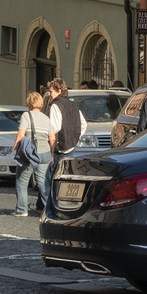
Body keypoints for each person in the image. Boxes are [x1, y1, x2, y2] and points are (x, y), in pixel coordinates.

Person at [44, 79, 86, 219]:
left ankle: (49, 209)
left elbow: (54, 128)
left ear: (59, 91)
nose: (49, 94)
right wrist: (76, 138)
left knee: (51, 179)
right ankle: (46, 206)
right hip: (71, 146)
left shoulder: (56, 105)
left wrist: (50, 146)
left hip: (59, 147)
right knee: (66, 179)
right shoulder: (74, 105)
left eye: (51, 91)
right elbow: (83, 124)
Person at [12, 92, 55, 217]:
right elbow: (52, 139)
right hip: (45, 153)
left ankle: (22, 210)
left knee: (22, 181)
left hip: (30, 154)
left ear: (29, 103)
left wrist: (15, 149)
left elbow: (21, 135)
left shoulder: (26, 115)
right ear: (40, 103)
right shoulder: (46, 118)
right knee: (43, 182)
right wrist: (51, 154)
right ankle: (49, 210)